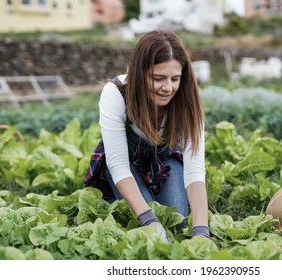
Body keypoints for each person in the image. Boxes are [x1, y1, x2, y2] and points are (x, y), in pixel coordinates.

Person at [84, 30, 209, 242]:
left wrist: (201, 231)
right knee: (150, 224)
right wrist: (149, 220)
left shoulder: (187, 101)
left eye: (175, 79)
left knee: (176, 223)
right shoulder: (116, 93)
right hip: (126, 163)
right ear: (139, 73)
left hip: (164, 160)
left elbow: (195, 171)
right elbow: (119, 165)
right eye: (158, 78)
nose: (167, 88)